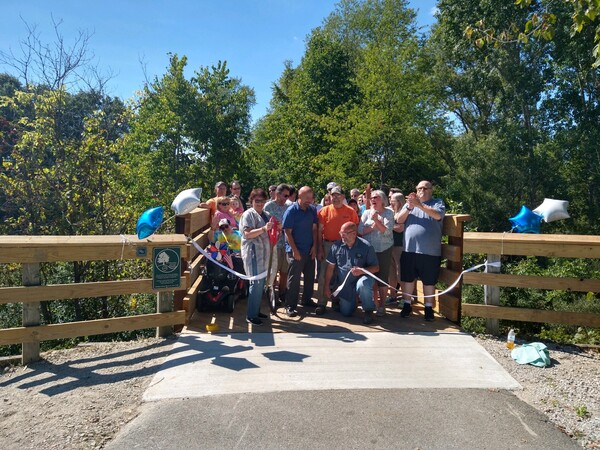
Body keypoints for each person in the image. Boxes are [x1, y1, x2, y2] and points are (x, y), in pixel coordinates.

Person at [396, 180, 446, 322]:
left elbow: (437, 216)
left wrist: (420, 205)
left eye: (425, 188)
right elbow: (399, 220)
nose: (422, 190)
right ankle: (407, 305)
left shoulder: (437, 203)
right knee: (407, 279)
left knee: (429, 281)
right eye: (419, 188)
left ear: (431, 190)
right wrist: (410, 207)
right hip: (409, 249)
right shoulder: (410, 204)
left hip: (430, 251)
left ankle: (428, 308)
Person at [324, 222, 379, 324]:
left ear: (354, 233)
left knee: (363, 285)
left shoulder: (366, 246)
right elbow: (330, 268)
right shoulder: (336, 245)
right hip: (345, 284)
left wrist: (362, 270)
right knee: (346, 312)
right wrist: (327, 286)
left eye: (345, 233)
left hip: (362, 279)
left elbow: (376, 268)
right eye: (341, 233)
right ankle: (350, 302)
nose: (342, 236)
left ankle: (368, 311)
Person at [316, 186, 359, 315]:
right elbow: (319, 231)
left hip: (344, 245)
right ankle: (321, 303)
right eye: (332, 195)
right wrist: (320, 248)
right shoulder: (324, 211)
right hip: (327, 244)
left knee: (340, 274)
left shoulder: (350, 211)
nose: (335, 198)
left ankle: (336, 301)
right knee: (323, 275)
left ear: (343, 197)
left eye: (337, 195)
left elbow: (354, 230)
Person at [239, 188, 274, 326]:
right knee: (256, 283)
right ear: (251, 201)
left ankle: (256, 310)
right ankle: (251, 315)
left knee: (261, 284)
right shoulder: (248, 214)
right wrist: (264, 229)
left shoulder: (266, 214)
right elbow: (247, 234)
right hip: (253, 253)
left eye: (262, 201)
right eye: (257, 201)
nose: (259, 203)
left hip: (264, 254)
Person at [282, 186, 318, 317]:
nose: (309, 200)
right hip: (295, 251)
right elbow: (287, 232)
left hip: (309, 250)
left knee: (309, 278)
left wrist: (315, 246)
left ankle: (306, 300)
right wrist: (294, 250)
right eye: (306, 198)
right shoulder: (291, 211)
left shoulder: (312, 210)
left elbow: (314, 229)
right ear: (299, 197)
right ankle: (290, 306)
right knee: (294, 280)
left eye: (311, 198)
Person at [358, 189, 394, 317]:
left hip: (384, 249)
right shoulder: (366, 212)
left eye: (376, 197)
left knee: (382, 278)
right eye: (372, 197)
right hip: (369, 250)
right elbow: (360, 230)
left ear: (383, 200)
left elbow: (387, 231)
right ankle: (374, 303)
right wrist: (374, 226)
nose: (373, 199)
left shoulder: (389, 213)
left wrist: (376, 221)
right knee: (370, 276)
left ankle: (382, 305)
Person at [264, 183, 291, 304]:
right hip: (273, 244)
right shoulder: (268, 206)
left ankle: (282, 293)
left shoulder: (288, 207)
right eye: (285, 195)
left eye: (288, 195)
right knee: (273, 271)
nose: (287, 198)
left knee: (285, 271)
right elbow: (263, 224)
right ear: (277, 194)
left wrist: (283, 227)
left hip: (286, 244)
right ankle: (271, 294)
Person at [387, 192, 406, 305]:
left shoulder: (404, 212)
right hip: (390, 245)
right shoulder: (391, 212)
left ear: (399, 201)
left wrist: (387, 227)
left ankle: (405, 297)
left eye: (393, 200)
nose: (390, 202)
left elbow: (400, 228)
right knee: (391, 274)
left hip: (400, 246)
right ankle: (392, 296)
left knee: (400, 273)